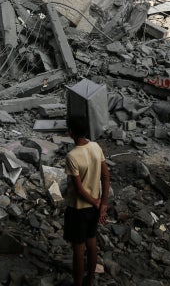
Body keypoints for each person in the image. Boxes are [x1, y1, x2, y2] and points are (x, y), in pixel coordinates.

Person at [64, 117, 111, 286]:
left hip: (78, 208)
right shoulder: (96, 147)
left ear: (70, 132)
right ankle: (89, 281)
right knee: (91, 243)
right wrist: (102, 203)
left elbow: (78, 189)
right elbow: (105, 177)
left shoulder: (72, 156)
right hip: (93, 208)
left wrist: (95, 202)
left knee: (78, 248)